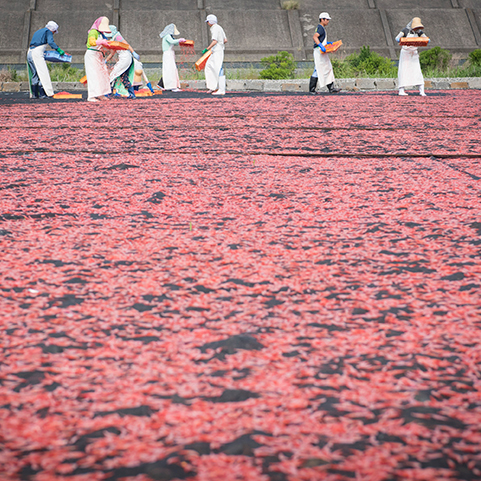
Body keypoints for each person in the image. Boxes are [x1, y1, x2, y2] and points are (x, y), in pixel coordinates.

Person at [27, 21, 64, 98]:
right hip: (37, 53)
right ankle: (43, 94)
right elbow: (51, 42)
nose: (54, 33)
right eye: (54, 31)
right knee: (43, 72)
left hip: (29, 52)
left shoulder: (38, 31)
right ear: (52, 29)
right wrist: (58, 49)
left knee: (35, 73)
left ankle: (34, 94)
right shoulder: (48, 32)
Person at [395, 17, 429, 96]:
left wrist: (426, 40)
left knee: (417, 71)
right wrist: (400, 40)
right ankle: (401, 90)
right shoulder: (405, 30)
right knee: (403, 70)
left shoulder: (419, 32)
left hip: (414, 53)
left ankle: (421, 91)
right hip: (405, 53)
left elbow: (425, 38)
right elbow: (397, 38)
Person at [105, 25, 139, 99]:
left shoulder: (117, 36)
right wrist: (105, 60)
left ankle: (108, 92)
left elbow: (127, 45)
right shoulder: (113, 39)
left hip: (125, 57)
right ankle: (131, 94)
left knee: (114, 74)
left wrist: (133, 52)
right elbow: (112, 53)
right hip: (123, 58)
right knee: (123, 76)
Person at [311, 12, 341, 94]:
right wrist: (321, 46)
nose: (328, 21)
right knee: (319, 69)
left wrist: (328, 43)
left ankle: (330, 88)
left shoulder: (321, 28)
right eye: (326, 19)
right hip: (319, 51)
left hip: (321, 51)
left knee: (326, 68)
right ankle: (312, 89)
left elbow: (321, 39)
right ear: (322, 19)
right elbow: (315, 37)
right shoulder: (320, 28)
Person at [84, 17, 112, 102]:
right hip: (92, 55)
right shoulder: (93, 32)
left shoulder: (101, 33)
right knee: (94, 75)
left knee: (102, 74)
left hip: (99, 55)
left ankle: (101, 94)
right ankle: (91, 96)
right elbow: (92, 42)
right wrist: (102, 42)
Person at [203, 14, 227, 95]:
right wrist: (220, 44)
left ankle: (219, 89)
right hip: (219, 50)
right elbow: (225, 40)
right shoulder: (219, 27)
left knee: (212, 68)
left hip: (216, 51)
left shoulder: (214, 28)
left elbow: (214, 41)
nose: (207, 23)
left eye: (208, 22)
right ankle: (214, 87)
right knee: (216, 68)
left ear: (210, 22)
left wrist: (207, 49)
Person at [159, 24, 185, 92]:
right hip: (168, 54)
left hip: (170, 54)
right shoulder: (167, 36)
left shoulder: (169, 36)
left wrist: (181, 42)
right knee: (170, 70)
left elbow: (174, 43)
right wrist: (179, 40)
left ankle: (168, 85)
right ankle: (171, 86)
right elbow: (172, 41)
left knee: (170, 69)